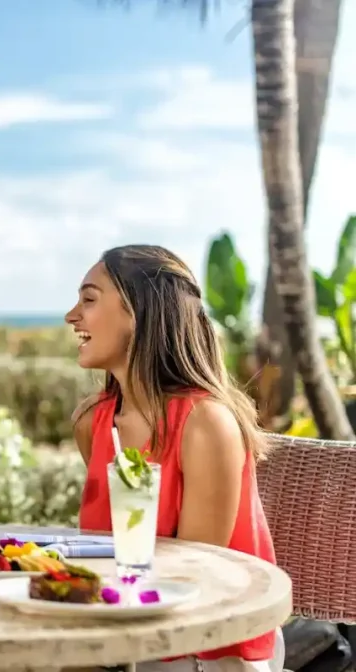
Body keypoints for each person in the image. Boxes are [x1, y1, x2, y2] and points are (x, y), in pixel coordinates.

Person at [65, 245, 285, 672]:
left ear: (140, 312)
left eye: (89, 299)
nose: (72, 315)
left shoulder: (205, 424)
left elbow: (196, 578)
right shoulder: (95, 422)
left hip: (210, 646)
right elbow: (114, 544)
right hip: (124, 630)